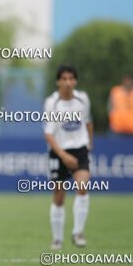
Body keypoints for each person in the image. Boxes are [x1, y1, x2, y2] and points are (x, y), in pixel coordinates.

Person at [43, 64, 94, 250]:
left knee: (82, 187)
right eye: (63, 79)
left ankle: (78, 232)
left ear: (75, 81)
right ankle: (57, 239)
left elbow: (88, 122)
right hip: (59, 150)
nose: (67, 82)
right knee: (59, 197)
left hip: (79, 148)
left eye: (71, 78)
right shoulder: (52, 103)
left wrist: (89, 144)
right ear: (58, 82)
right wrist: (63, 156)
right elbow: (48, 133)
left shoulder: (83, 99)